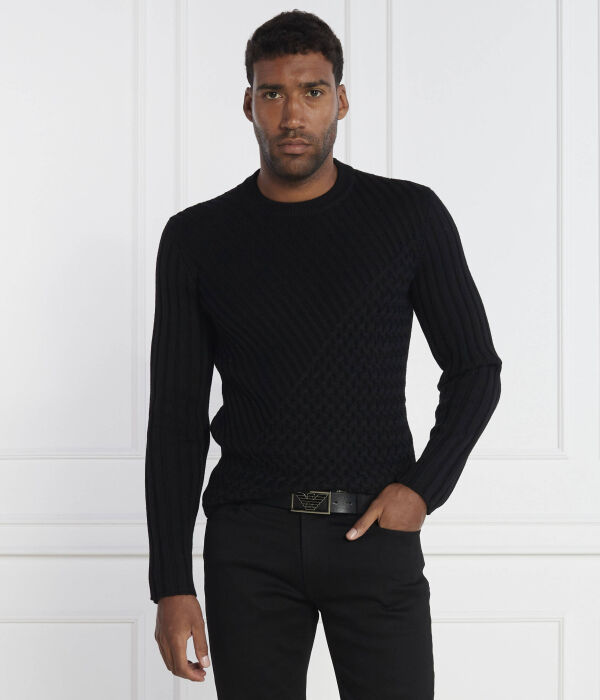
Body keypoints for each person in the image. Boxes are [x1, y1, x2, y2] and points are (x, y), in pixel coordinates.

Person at [145, 9, 502, 700]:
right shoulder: (197, 238)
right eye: (273, 93)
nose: (292, 115)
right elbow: (177, 421)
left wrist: (424, 488)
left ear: (340, 99)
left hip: (374, 534)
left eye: (311, 92)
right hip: (249, 544)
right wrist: (170, 583)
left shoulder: (408, 217)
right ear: (249, 103)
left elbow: (474, 369)